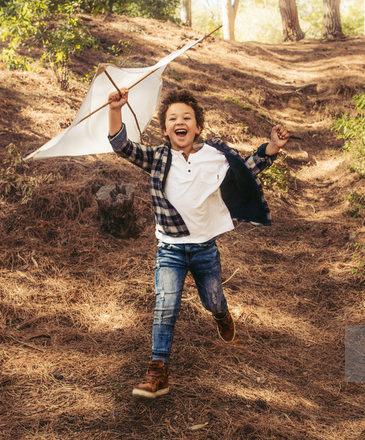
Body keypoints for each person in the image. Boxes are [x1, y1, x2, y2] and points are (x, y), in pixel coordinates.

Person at [107, 88, 289, 398]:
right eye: (172, 118)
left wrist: (271, 147)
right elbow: (122, 145)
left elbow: (247, 169)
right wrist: (115, 110)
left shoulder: (214, 155)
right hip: (170, 249)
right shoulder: (158, 157)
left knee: (213, 298)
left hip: (205, 248)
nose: (180, 122)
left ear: (198, 127)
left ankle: (221, 315)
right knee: (165, 305)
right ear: (165, 129)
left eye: (187, 117)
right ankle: (158, 369)